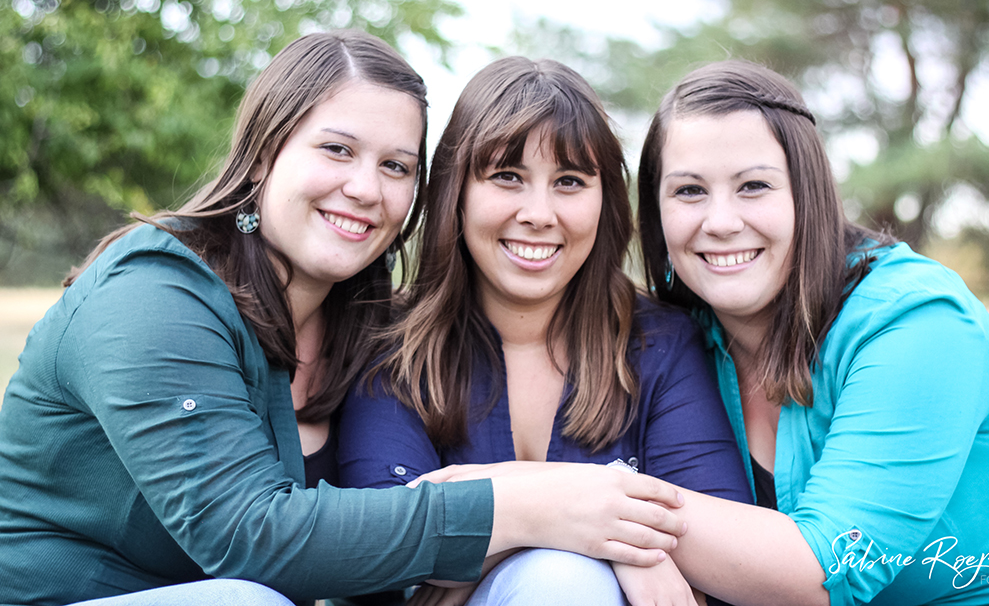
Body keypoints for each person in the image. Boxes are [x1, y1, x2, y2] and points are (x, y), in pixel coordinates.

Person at [0, 32, 691, 606]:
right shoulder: (153, 297)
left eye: (396, 166)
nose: (365, 189)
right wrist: (535, 505)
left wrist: (570, 521)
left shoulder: (363, 324)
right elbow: (250, 535)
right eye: (337, 150)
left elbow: (379, 535)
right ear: (266, 151)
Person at [630, 60, 989, 604]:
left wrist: (605, 513)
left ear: (809, 197)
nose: (721, 221)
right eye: (689, 191)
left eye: (754, 186)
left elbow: (828, 568)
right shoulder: (672, 339)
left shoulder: (918, 325)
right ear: (657, 215)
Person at [338, 57, 751, 606]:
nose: (539, 212)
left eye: (569, 182)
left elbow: (717, 558)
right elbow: (386, 556)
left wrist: (485, 534)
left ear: (605, 202)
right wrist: (585, 517)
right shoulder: (392, 346)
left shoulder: (661, 342)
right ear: (456, 191)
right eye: (508, 177)